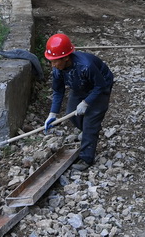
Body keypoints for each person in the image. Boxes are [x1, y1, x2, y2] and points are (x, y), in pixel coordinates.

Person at [42, 33, 115, 171]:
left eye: (55, 61)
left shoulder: (85, 66)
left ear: (66, 58)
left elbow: (101, 85)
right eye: (50, 61)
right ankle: (89, 134)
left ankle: (86, 158)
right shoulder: (58, 69)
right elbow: (58, 91)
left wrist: (86, 103)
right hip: (79, 85)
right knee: (71, 113)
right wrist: (52, 114)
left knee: (90, 121)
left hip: (99, 86)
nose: (52, 64)